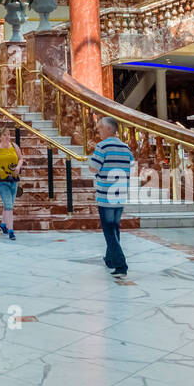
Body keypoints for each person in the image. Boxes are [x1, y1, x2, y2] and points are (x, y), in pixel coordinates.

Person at [89, 116, 134, 278]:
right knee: (114, 228)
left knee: (109, 230)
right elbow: (131, 166)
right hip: (120, 194)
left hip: (106, 195)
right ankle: (110, 259)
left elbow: (93, 168)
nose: (98, 131)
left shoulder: (102, 146)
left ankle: (121, 264)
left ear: (109, 129)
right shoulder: (126, 148)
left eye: (100, 128)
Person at [0, 129, 23, 241]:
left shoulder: (14, 146)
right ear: (0, 137)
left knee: (10, 204)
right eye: (4, 135)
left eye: (8, 134)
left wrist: (18, 167)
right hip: (0, 180)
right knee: (9, 205)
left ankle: (3, 224)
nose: (7, 137)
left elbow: (21, 158)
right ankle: (11, 231)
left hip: (13, 179)